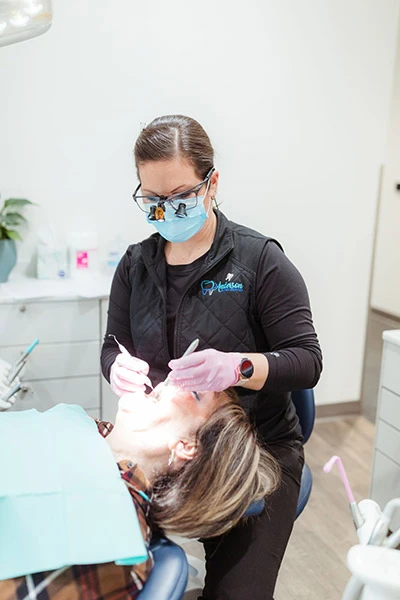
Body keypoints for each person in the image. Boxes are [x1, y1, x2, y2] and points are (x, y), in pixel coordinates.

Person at [100, 114, 323, 600]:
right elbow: (111, 346)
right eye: (153, 200)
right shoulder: (135, 265)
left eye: (179, 196)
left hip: (251, 448)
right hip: (171, 439)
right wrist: (116, 369)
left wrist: (240, 366)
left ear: (211, 183)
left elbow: (307, 361)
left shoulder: (260, 261)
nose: (167, 210)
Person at [0, 384, 279, 600]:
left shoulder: (115, 543)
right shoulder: (75, 426)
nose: (170, 379)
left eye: (194, 393)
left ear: (186, 446)